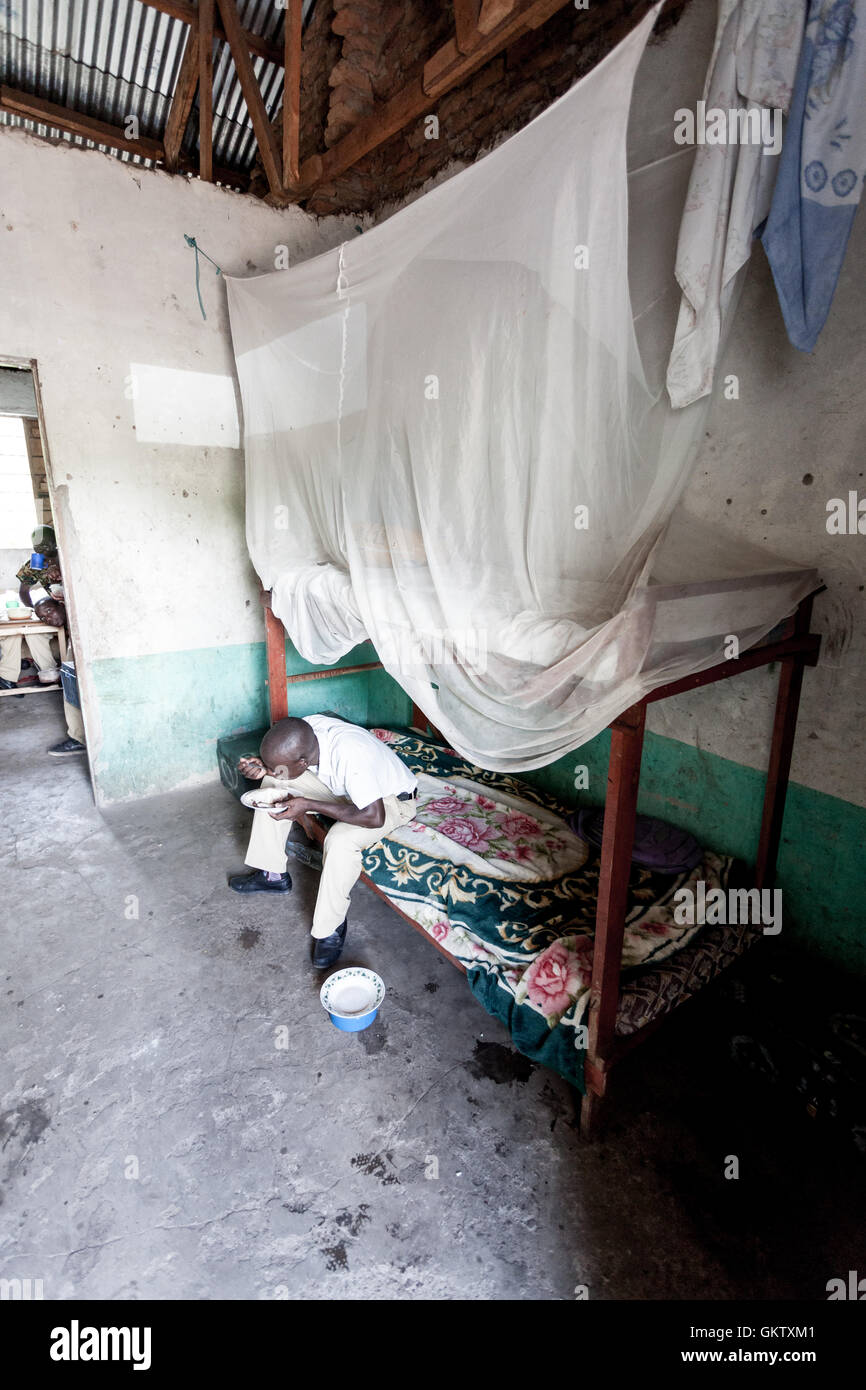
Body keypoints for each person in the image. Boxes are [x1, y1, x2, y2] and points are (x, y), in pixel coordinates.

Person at [229, 715, 418, 968]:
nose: (274, 769)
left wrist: (307, 806)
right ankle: (272, 876)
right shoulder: (307, 729)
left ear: (304, 761)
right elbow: (285, 768)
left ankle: (330, 928)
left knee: (340, 841)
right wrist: (266, 770)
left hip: (389, 801)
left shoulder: (351, 754)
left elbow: (374, 817)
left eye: (277, 765)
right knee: (271, 785)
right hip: (347, 790)